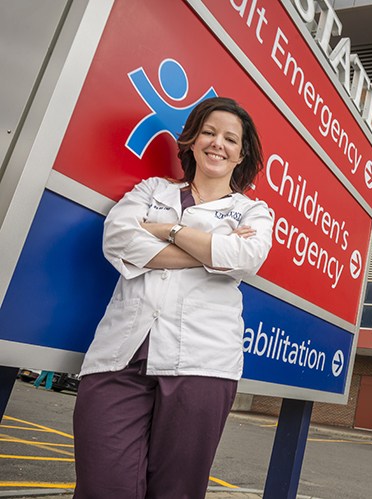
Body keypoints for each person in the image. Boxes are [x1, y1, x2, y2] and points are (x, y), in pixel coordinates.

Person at [72, 97, 273, 499]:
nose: (218, 143)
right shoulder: (154, 190)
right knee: (102, 486)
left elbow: (242, 257)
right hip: (119, 357)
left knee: (176, 491)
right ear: (193, 140)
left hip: (203, 364)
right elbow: (118, 239)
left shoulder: (253, 212)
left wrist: (168, 231)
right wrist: (209, 251)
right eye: (210, 132)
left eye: (231, 139)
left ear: (242, 154)